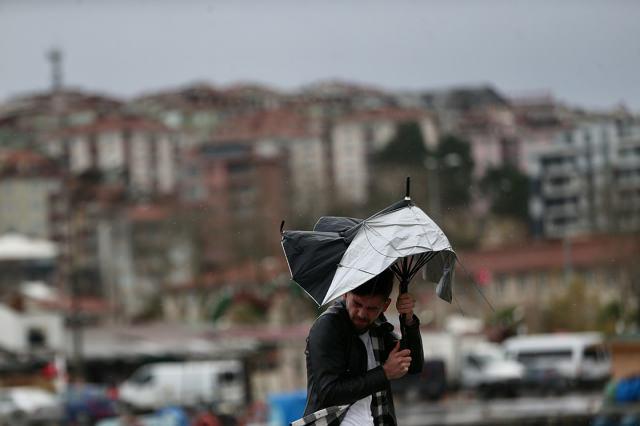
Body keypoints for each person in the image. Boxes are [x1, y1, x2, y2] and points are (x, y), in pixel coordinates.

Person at [300, 268, 423, 425]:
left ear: (385, 305)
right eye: (357, 304)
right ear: (345, 293)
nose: (362, 313)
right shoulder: (328, 327)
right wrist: (384, 373)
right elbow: (328, 392)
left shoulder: (379, 326)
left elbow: (413, 365)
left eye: (372, 308)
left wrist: (409, 320)